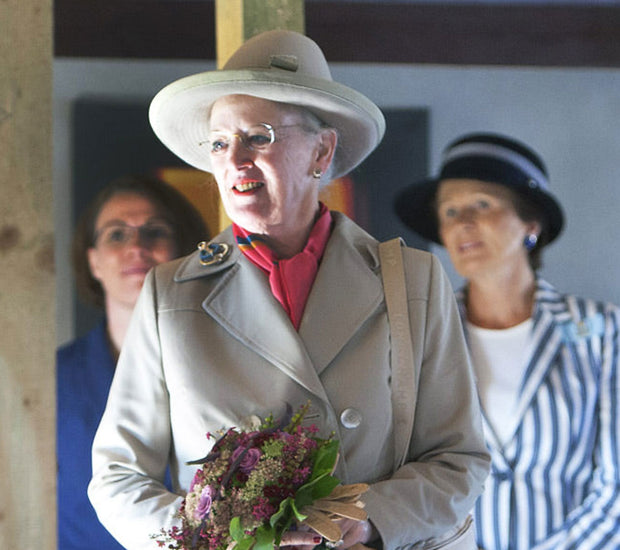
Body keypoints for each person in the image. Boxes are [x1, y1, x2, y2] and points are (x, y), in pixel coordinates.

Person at [87, 29, 490, 550]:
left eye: (258, 136)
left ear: (321, 152)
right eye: (218, 142)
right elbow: (118, 480)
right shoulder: (171, 294)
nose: (234, 160)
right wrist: (215, 538)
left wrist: (367, 521)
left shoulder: (411, 280)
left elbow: (458, 462)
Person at [394, 133, 620, 550]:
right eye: (449, 211)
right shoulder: (424, 331)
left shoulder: (602, 330)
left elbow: (616, 488)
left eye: (482, 204)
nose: (462, 222)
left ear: (530, 225)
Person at [58, 174, 209, 550]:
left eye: (155, 231)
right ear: (93, 261)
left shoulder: (220, 366)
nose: (137, 246)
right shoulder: (54, 378)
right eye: (116, 234)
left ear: (183, 252)